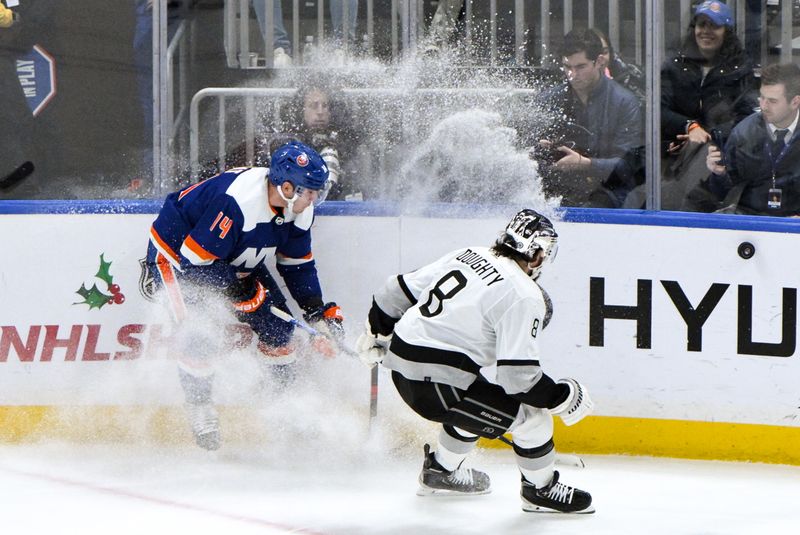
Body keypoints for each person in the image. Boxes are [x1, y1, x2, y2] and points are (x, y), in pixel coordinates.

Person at [356, 209, 595, 514]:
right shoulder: (525, 295)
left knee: (479, 399)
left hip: (402, 364)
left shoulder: (470, 253)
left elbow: (394, 291)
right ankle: (541, 490)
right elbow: (519, 381)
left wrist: (375, 333)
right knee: (534, 419)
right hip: (438, 387)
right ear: (535, 253)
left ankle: (441, 472)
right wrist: (563, 398)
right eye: (544, 253)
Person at [146, 141, 345, 450]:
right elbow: (195, 264)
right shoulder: (237, 202)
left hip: (232, 258)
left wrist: (316, 311)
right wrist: (237, 291)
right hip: (179, 257)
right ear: (287, 188)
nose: (315, 198)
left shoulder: (299, 209)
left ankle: (287, 410)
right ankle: (199, 408)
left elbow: (297, 266)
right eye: (310, 192)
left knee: (279, 331)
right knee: (199, 332)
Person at [658, 0, 757, 210]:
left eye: (715, 26)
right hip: (673, 151)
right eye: (702, 24)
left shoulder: (740, 69)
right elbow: (658, 110)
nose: (706, 31)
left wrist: (708, 135)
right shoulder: (674, 64)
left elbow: (745, 117)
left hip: (718, 153)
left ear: (727, 31)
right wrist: (689, 127)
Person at [533, 29, 643, 208]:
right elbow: (529, 155)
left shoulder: (624, 101)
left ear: (599, 61)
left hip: (610, 191)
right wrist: (539, 149)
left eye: (580, 67)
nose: (572, 75)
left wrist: (586, 164)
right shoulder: (549, 99)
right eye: (567, 67)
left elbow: (629, 165)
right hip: (558, 189)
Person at [703, 63, 800, 216]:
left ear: (795, 102)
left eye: (772, 101)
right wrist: (718, 174)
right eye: (761, 98)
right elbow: (721, 193)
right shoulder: (743, 133)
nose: (764, 106)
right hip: (753, 221)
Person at [589, 28, 645, 102]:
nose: (600, 58)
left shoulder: (630, 76)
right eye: (594, 53)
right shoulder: (573, 82)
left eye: (605, 52)